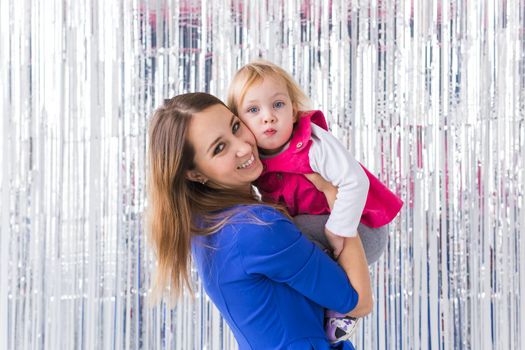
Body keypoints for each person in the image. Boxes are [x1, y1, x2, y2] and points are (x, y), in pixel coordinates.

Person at [146, 92, 373, 349]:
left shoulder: (207, 227)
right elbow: (359, 301)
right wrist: (338, 198)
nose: (243, 147)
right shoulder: (258, 228)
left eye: (235, 126)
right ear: (195, 173)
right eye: (220, 148)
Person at [227, 59, 404, 341]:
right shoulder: (256, 158)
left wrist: (339, 228)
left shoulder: (312, 144)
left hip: (361, 228)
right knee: (281, 236)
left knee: (284, 234)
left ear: (294, 110)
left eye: (278, 105)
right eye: (253, 110)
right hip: (321, 229)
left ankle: (342, 310)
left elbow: (355, 181)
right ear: (240, 123)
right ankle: (330, 313)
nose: (268, 117)